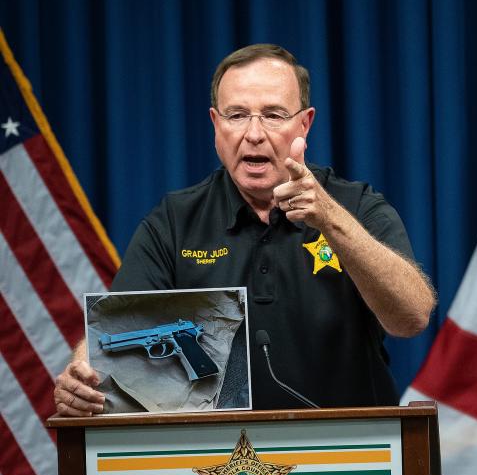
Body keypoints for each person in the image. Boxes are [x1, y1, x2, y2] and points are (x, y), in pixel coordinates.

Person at [53, 44, 435, 414]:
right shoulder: (175, 220)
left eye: (273, 114)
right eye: (237, 116)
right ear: (216, 125)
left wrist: (329, 219)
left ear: (305, 123)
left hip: (349, 453)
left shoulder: (356, 205)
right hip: (219, 462)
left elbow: (411, 318)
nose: (254, 133)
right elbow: (118, 328)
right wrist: (81, 374)